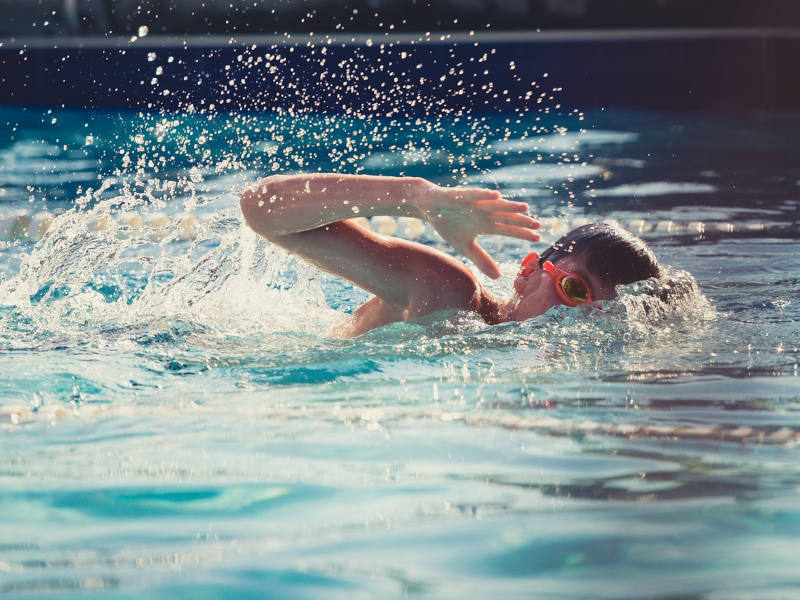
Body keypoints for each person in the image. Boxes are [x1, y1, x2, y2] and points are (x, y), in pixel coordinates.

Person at [240, 173, 661, 337]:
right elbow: (261, 209)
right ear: (528, 271)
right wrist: (415, 197)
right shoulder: (448, 293)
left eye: (600, 316)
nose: (576, 323)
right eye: (574, 289)